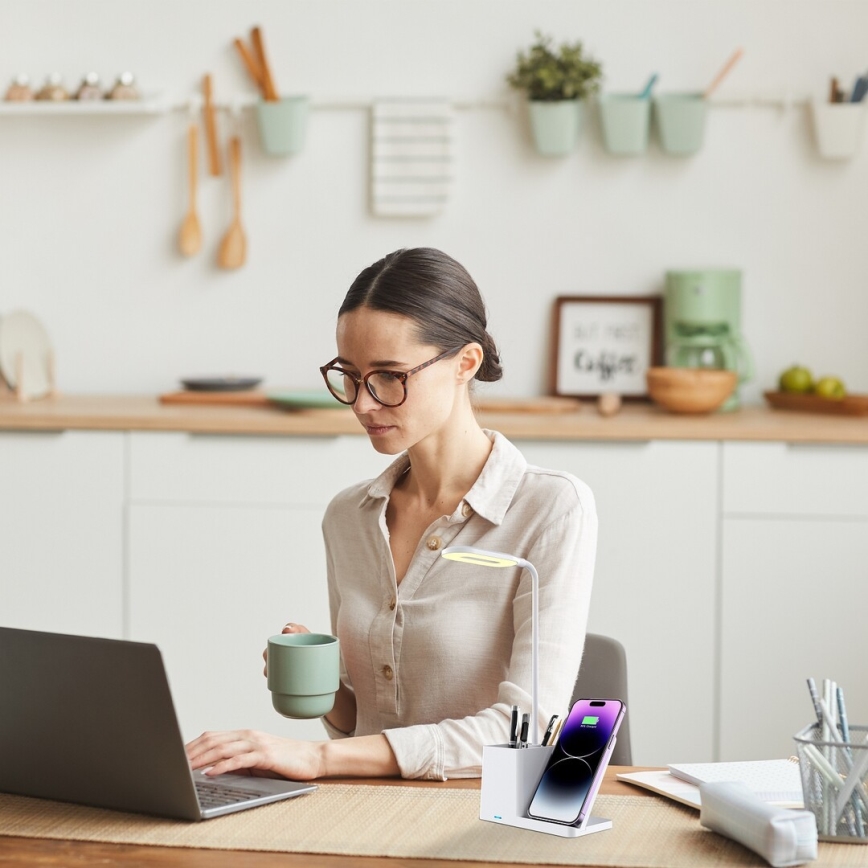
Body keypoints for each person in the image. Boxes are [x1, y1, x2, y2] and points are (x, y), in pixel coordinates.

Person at [186, 247, 597, 781]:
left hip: (483, 817)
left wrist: (316, 757)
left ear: (465, 363)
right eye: (350, 375)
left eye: (389, 375)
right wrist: (328, 692)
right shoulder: (348, 518)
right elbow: (364, 725)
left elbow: (529, 730)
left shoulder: (551, 508)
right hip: (361, 809)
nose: (362, 403)